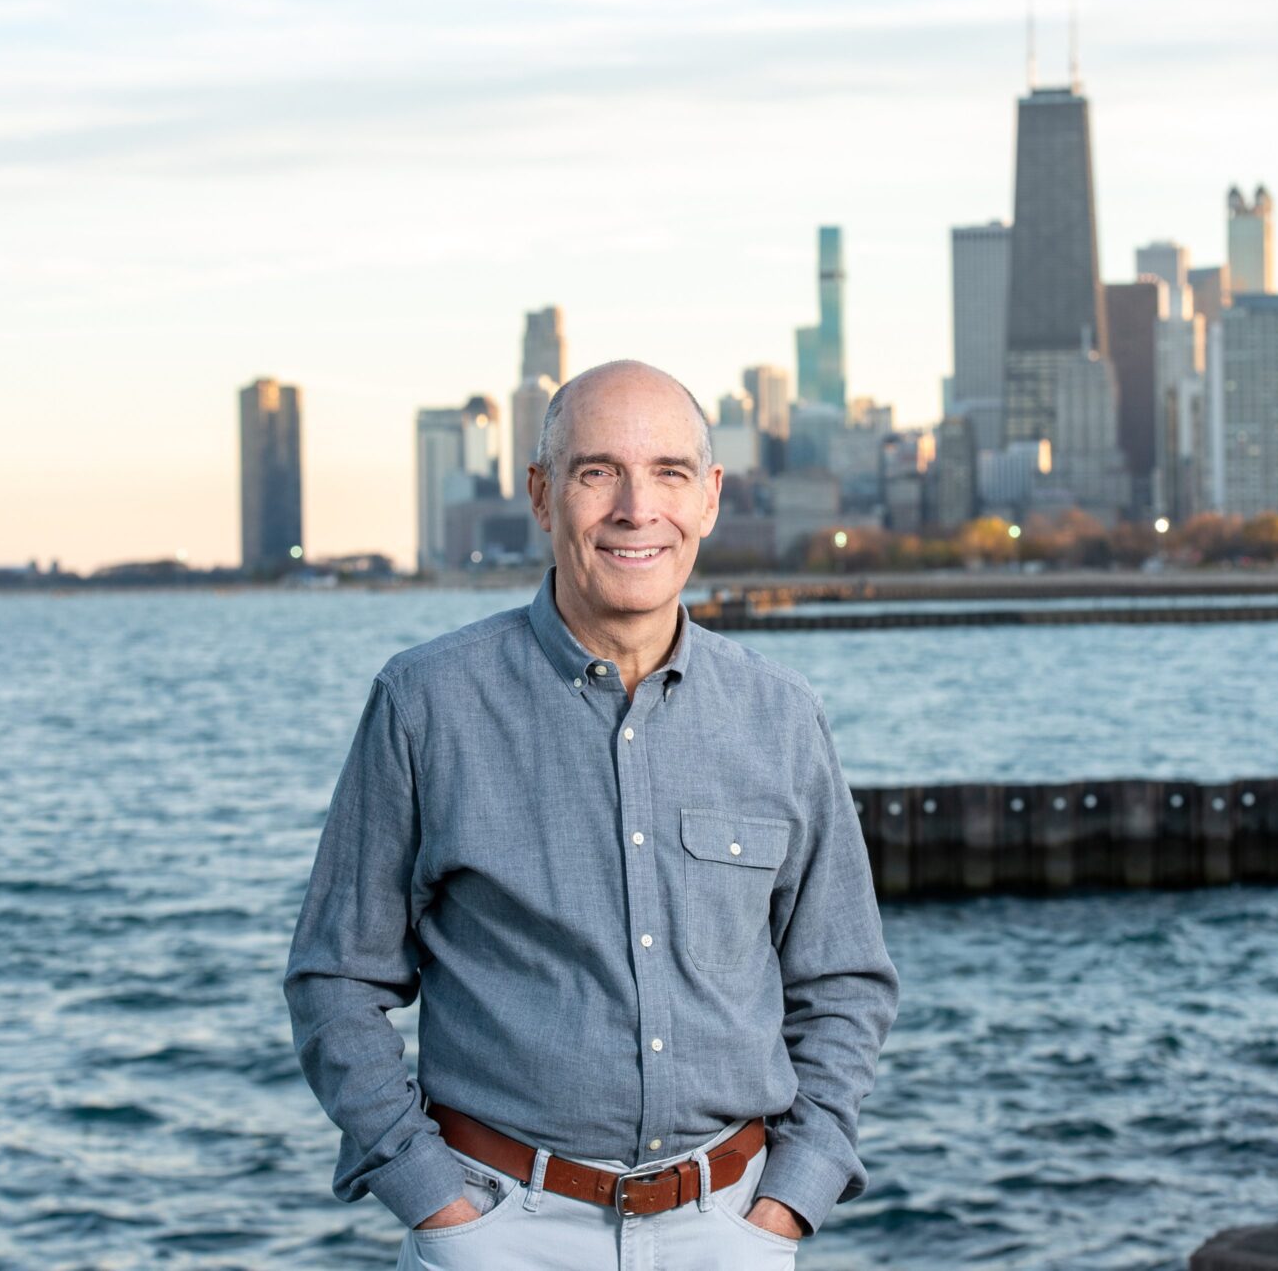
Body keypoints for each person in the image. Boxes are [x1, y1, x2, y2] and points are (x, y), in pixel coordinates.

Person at [285, 360, 899, 1268]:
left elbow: (844, 982)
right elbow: (335, 978)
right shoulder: (426, 704)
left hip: (731, 1231)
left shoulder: (782, 716)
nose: (635, 509)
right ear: (542, 495)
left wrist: (789, 1204)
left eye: (668, 474)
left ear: (710, 498)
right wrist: (437, 1208)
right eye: (598, 471)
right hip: (499, 1232)